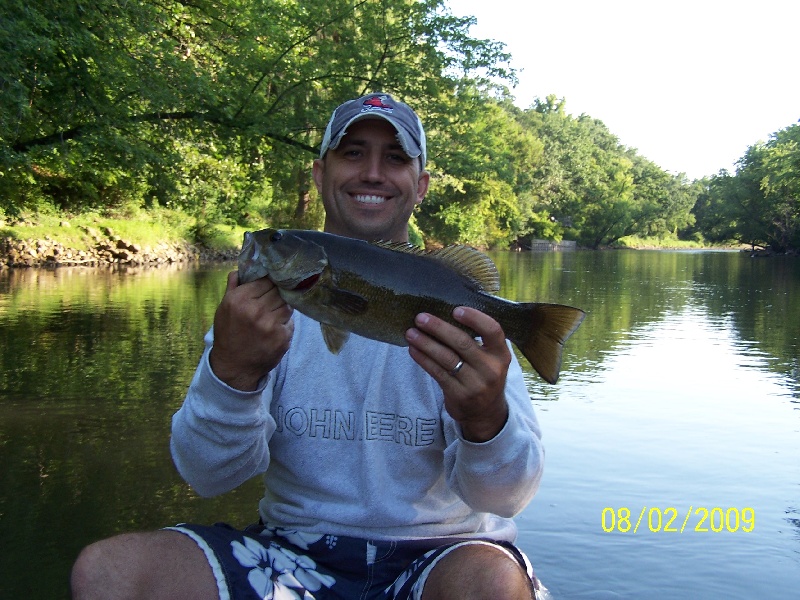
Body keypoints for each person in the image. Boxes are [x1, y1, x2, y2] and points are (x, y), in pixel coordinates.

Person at [71, 93, 546, 600]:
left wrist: (484, 420)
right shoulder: (255, 316)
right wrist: (232, 373)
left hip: (444, 555)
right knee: (106, 571)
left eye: (396, 158)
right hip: (289, 555)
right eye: (352, 152)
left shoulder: (473, 330)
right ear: (320, 173)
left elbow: (507, 498)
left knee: (493, 584)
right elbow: (207, 475)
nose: (372, 173)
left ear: (420, 185)